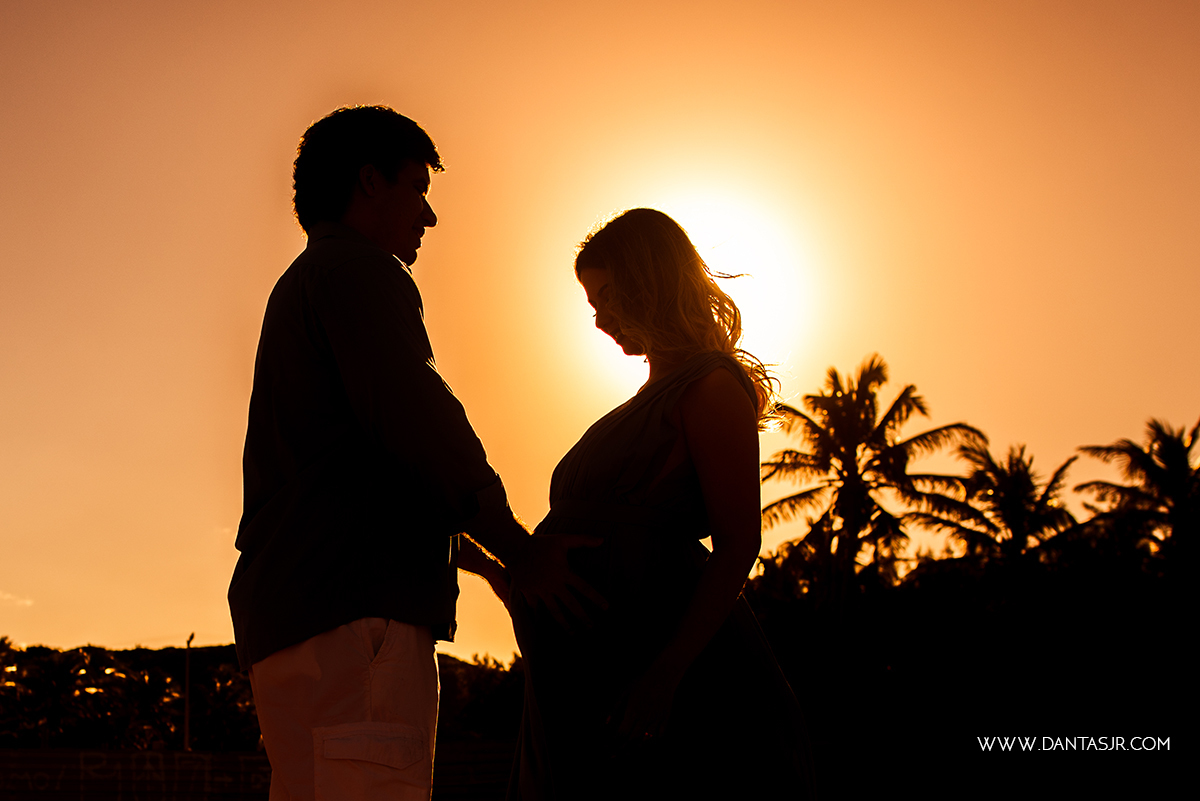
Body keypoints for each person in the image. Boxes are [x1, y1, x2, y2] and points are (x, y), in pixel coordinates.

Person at [228, 105, 597, 801]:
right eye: (418, 188)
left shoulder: (301, 289)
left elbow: (351, 470)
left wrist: (478, 559)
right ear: (371, 182)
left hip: (292, 620)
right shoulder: (361, 273)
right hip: (357, 618)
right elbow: (418, 423)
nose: (428, 216)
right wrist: (520, 547)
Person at [506, 209, 816, 800]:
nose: (597, 320)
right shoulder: (644, 400)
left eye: (605, 297)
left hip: (656, 666)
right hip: (586, 673)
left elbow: (737, 545)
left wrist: (665, 675)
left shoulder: (710, 386)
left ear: (646, 284)